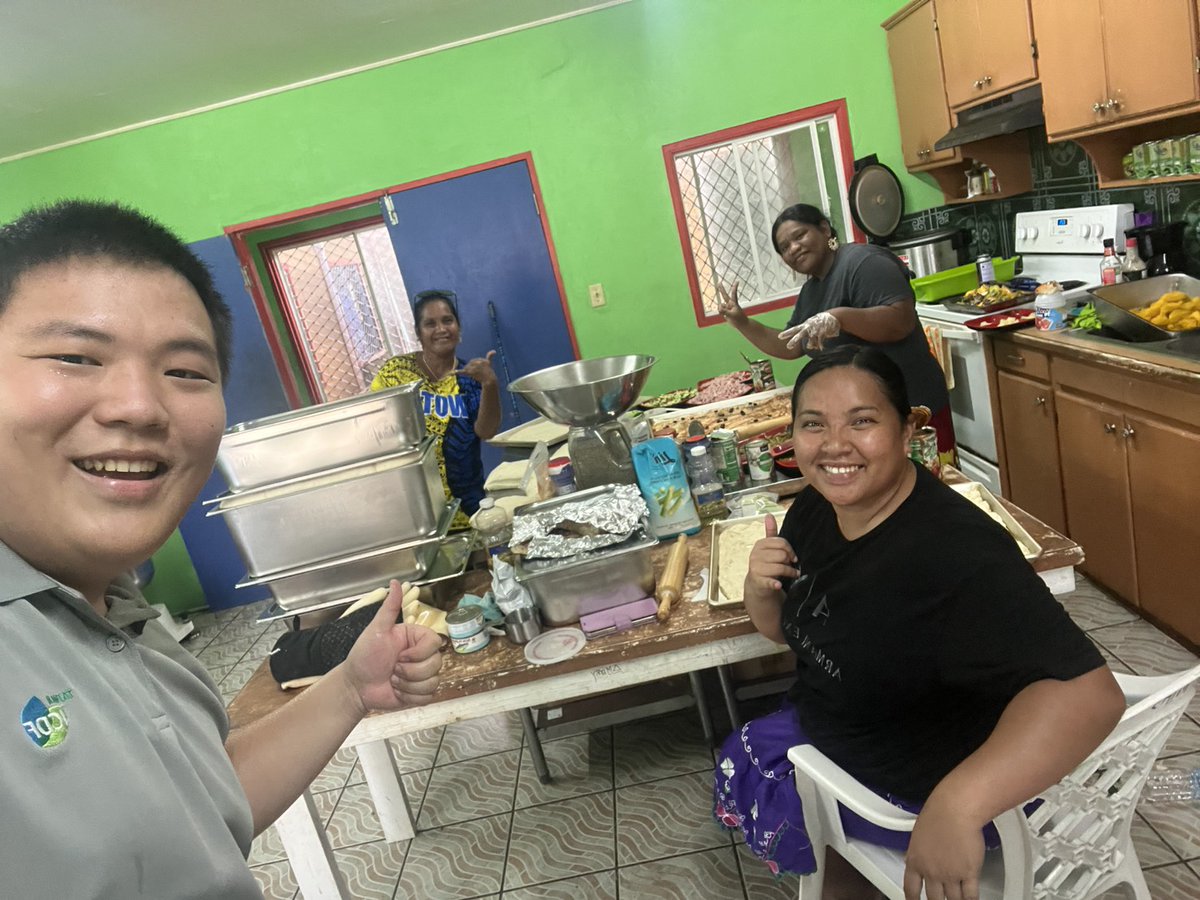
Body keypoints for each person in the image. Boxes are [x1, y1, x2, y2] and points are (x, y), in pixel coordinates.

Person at [0, 199, 443, 899]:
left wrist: (353, 688)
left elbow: (204, 801)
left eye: (185, 372)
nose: (140, 406)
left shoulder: (118, 609)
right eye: (76, 357)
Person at [712, 344, 1124, 900]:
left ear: (908, 431)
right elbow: (796, 634)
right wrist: (758, 589)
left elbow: (1093, 696)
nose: (835, 445)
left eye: (862, 421)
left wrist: (958, 804)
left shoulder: (956, 555)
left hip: (925, 782)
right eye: (814, 424)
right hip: (855, 727)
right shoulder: (814, 509)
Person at [718, 203, 956, 463]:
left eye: (799, 236)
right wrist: (742, 322)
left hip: (913, 410)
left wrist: (840, 318)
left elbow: (900, 321)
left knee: (930, 491)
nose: (793, 248)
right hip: (866, 417)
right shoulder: (811, 291)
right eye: (784, 247)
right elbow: (792, 345)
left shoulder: (863, 262)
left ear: (824, 229)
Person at [371, 289, 501, 528]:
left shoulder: (470, 378)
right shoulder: (396, 372)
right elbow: (373, 427)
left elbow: (487, 431)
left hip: (465, 510)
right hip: (413, 510)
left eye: (447, 320)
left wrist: (489, 384)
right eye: (430, 324)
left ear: (458, 328)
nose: (441, 329)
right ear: (418, 333)